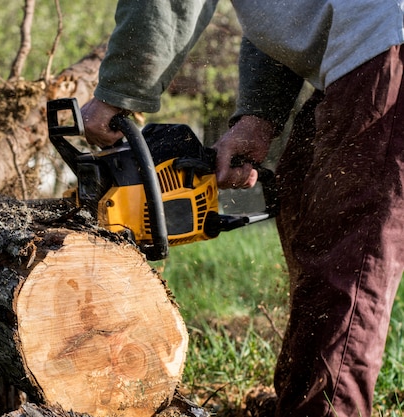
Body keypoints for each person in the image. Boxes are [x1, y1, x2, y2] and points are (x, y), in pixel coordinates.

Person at [80, 1, 404, 416]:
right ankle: (298, 396)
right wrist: (257, 117)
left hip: (383, 45)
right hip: (354, 53)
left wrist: (120, 94)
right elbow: (279, 22)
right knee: (302, 199)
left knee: (346, 253)